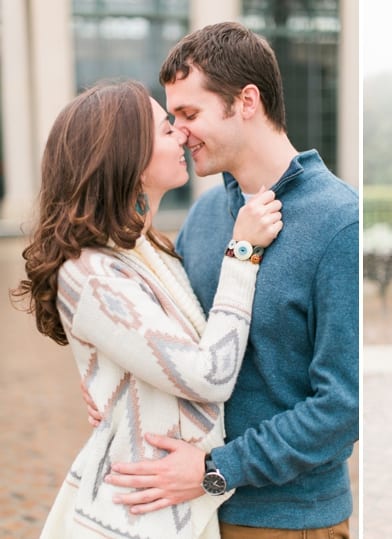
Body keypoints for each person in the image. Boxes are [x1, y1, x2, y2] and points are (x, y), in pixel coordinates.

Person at [96, 22, 359, 538]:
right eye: (172, 117)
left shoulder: (340, 223)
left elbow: (341, 407)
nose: (179, 131)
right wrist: (112, 385)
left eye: (190, 114)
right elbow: (184, 347)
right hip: (193, 516)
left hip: (288, 521)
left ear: (247, 101)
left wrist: (219, 469)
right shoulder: (207, 215)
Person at [12, 80, 283, 538]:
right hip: (135, 516)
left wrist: (111, 384)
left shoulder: (145, 245)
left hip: (168, 506)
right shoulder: (92, 272)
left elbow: (161, 354)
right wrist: (242, 254)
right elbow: (209, 375)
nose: (181, 134)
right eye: (164, 129)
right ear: (127, 157)